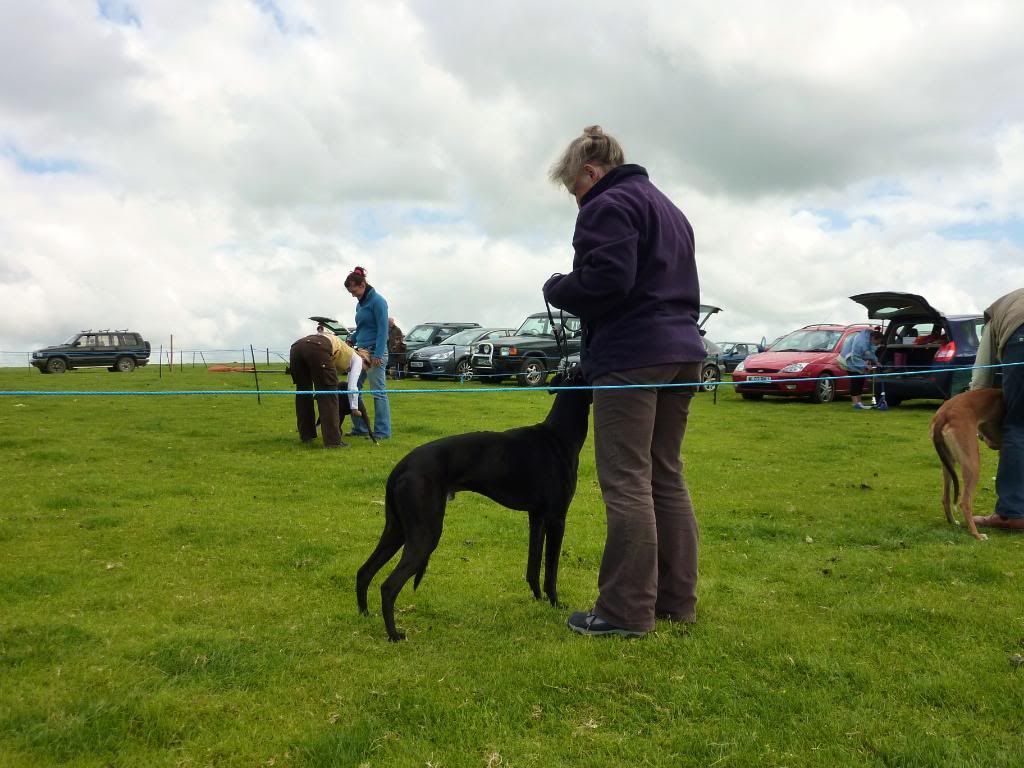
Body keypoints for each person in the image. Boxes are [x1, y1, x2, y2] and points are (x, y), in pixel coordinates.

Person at [542, 125, 706, 638]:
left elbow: (608, 280)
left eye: (575, 190)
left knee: (627, 479)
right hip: (682, 352)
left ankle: (624, 611)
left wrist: (558, 286)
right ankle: (676, 602)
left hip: (632, 356)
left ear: (591, 173)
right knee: (665, 475)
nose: (577, 202)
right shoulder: (668, 208)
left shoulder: (607, 205)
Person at [970, 287, 1024, 531]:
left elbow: (982, 374)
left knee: (1019, 426)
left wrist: (978, 422)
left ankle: (1011, 513)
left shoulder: (995, 314)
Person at [289, 329, 360, 449]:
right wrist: (354, 407)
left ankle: (306, 435)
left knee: (303, 392)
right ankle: (333, 441)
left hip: (296, 347)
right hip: (318, 347)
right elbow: (352, 387)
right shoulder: (358, 359)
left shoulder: (341, 349)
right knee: (329, 394)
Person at [344, 266, 392, 439]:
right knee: (353, 388)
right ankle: (360, 428)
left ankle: (382, 431)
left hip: (375, 352)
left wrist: (378, 354)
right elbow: (362, 328)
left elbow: (382, 329)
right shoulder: (360, 305)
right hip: (361, 351)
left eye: (354, 290)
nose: (352, 294)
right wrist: (352, 338)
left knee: (378, 393)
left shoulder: (378, 302)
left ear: (362, 285)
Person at [838, 329, 884, 409]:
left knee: (861, 381)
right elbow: (855, 356)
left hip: (857, 362)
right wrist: (865, 366)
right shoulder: (861, 342)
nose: (878, 344)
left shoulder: (868, 339)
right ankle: (855, 403)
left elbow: (870, 352)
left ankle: (859, 402)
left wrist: (876, 361)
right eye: (878, 342)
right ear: (873, 338)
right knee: (855, 381)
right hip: (848, 361)